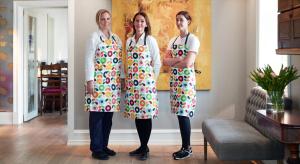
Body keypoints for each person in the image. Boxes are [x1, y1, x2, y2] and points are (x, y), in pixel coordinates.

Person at [84, 9, 123, 160]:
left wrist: (122, 78)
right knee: (97, 116)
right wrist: (89, 81)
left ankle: (104, 146)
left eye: (108, 18)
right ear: (98, 21)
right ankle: (96, 148)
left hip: (112, 84)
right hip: (98, 82)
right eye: (102, 19)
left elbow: (119, 61)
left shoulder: (116, 39)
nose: (105, 21)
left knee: (108, 117)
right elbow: (88, 59)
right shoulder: (93, 37)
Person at [124, 11, 161, 161]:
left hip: (146, 85)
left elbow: (157, 62)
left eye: (142, 21)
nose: (139, 24)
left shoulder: (150, 40)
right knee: (138, 116)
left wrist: (152, 81)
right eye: (137, 21)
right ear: (134, 23)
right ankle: (142, 146)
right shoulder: (129, 41)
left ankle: (145, 148)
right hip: (133, 85)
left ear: (146, 24)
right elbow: (127, 62)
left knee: (146, 117)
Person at [163, 11, 200, 160]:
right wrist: (178, 59)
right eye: (177, 20)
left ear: (188, 21)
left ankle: (187, 148)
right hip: (175, 82)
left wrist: (175, 60)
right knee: (180, 114)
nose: (179, 22)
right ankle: (185, 147)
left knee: (184, 114)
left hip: (186, 83)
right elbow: (165, 61)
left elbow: (188, 63)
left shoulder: (193, 40)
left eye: (182, 20)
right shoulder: (173, 40)